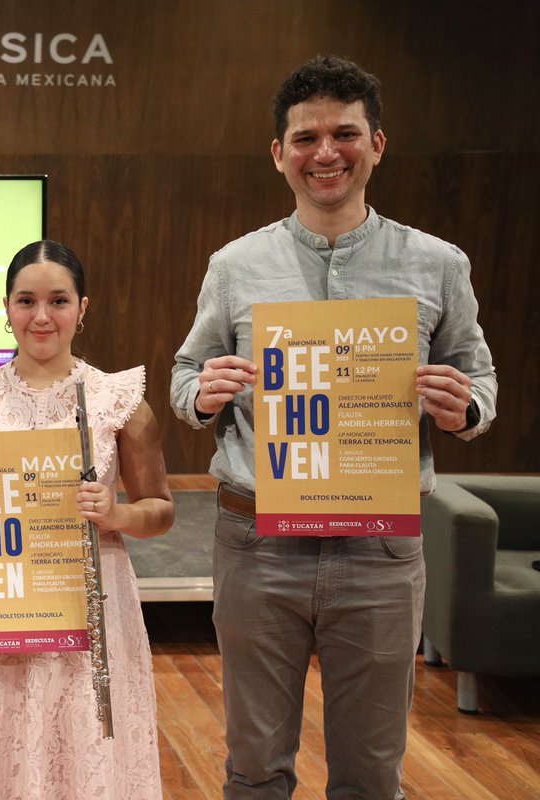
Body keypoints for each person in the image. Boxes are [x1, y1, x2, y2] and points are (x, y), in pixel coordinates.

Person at [170, 55, 497, 798]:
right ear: (279, 153)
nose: (326, 153)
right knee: (253, 771)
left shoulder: (438, 264)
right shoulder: (234, 266)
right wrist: (203, 392)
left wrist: (467, 406)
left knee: (372, 775)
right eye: (306, 137)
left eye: (344, 134)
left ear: (377, 144)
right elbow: (186, 374)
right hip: (256, 545)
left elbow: (479, 378)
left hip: (379, 550)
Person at [0, 239, 175, 799]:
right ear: (5, 308)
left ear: (84, 308)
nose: (41, 316)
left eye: (58, 300)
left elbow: (161, 509)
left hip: (90, 609)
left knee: (84, 761)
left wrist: (117, 513)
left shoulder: (118, 399)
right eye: (25, 301)